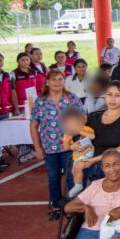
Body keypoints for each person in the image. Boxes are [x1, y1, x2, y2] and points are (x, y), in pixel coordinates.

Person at [30, 69, 82, 214]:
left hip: (70, 147)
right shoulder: (40, 102)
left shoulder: (71, 98)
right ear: (47, 82)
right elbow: (34, 126)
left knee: (72, 177)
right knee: (53, 178)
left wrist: (74, 131)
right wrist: (38, 148)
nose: (57, 82)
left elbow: (82, 118)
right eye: (54, 79)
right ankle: (56, 206)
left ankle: (74, 207)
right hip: (49, 148)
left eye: (60, 79)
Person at [83, 81, 120, 181]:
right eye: (109, 94)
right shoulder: (93, 117)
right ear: (105, 96)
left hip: (112, 166)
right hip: (89, 162)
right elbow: (81, 140)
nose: (112, 99)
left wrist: (93, 160)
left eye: (117, 95)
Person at [62, 108, 95, 198]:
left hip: (87, 153)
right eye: (70, 124)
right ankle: (78, 184)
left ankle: (78, 186)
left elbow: (92, 136)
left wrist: (79, 131)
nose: (73, 125)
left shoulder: (85, 129)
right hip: (77, 155)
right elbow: (66, 149)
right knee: (73, 171)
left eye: (75, 123)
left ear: (81, 121)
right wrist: (66, 141)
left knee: (77, 168)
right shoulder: (68, 134)